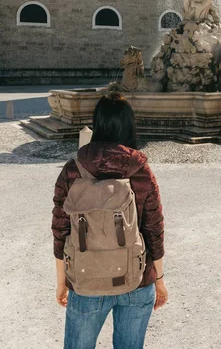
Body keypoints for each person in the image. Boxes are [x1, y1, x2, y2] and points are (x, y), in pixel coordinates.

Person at [52, 93, 168, 349]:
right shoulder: (141, 171)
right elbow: (154, 230)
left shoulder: (73, 170)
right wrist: (159, 279)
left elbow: (60, 230)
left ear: (97, 124)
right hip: (136, 280)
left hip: (85, 278)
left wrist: (62, 282)